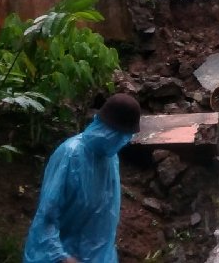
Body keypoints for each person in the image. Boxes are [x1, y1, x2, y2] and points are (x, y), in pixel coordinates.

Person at [23, 93, 141, 263]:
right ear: (105, 128)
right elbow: (47, 215)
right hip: (59, 256)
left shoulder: (110, 158)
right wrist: (60, 256)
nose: (122, 141)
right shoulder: (70, 155)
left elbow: (104, 217)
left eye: (125, 137)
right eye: (119, 135)